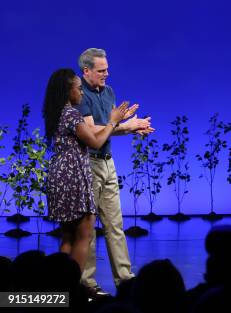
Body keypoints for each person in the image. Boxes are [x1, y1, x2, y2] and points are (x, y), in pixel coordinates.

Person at [76, 48, 154, 296]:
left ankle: (125, 280)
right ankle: (87, 284)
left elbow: (110, 128)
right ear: (86, 71)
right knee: (87, 228)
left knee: (115, 225)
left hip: (108, 163)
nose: (106, 74)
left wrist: (132, 126)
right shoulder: (80, 94)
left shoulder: (108, 92)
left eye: (107, 69)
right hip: (88, 163)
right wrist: (126, 126)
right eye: (101, 71)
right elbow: (91, 132)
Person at [43, 68, 128, 272]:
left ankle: (60, 289)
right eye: (78, 89)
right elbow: (96, 142)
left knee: (68, 236)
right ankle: (73, 288)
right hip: (73, 176)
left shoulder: (55, 113)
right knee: (84, 235)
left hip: (59, 174)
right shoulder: (72, 114)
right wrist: (113, 121)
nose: (82, 93)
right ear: (67, 91)